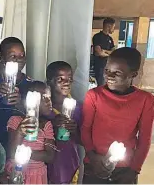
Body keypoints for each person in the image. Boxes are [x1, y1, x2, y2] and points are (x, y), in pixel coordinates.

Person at [81, 47, 154, 184]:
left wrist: (134, 170)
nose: (109, 76)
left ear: (133, 74)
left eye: (117, 73)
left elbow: (144, 140)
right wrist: (93, 156)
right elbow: (85, 129)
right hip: (94, 163)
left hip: (125, 169)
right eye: (107, 70)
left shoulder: (145, 100)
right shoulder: (94, 95)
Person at [0, 37, 33, 149]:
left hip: (21, 141)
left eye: (22, 55)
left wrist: (20, 104)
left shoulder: (31, 84)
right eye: (13, 56)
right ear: (2, 59)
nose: (18, 59)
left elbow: (34, 115)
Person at [6, 81, 55, 184]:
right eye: (42, 98)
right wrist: (20, 132)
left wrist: (23, 154)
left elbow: (50, 156)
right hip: (16, 172)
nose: (48, 101)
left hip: (37, 175)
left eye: (49, 97)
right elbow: (11, 152)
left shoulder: (46, 126)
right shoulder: (15, 121)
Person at [46, 61, 82, 184]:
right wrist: (51, 124)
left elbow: (82, 140)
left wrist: (74, 130)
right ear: (49, 80)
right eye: (60, 79)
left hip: (68, 162)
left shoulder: (77, 108)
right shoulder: (44, 107)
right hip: (47, 163)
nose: (66, 83)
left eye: (69, 79)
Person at [92, 17, 116, 86]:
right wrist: (109, 53)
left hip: (108, 67)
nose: (113, 29)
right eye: (113, 27)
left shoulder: (110, 39)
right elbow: (99, 53)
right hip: (100, 67)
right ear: (109, 26)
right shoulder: (97, 37)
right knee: (101, 86)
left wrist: (105, 51)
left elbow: (113, 52)